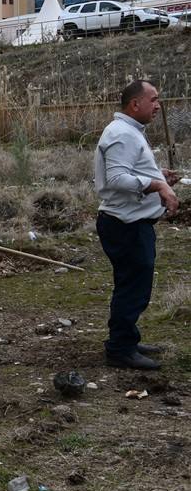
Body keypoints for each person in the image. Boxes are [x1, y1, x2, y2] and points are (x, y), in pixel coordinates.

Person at [94, 79, 180, 371]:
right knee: (132, 289)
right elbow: (117, 178)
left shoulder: (128, 131)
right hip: (125, 225)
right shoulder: (122, 134)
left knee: (131, 285)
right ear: (135, 104)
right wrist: (157, 185)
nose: (158, 106)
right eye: (153, 100)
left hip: (128, 223)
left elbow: (127, 171)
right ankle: (120, 349)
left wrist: (157, 174)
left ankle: (126, 339)